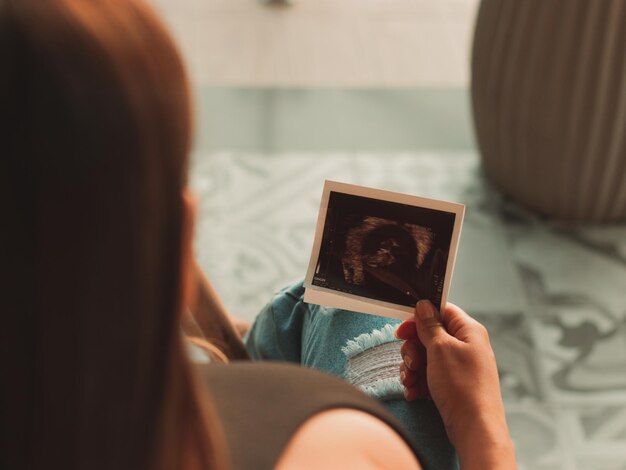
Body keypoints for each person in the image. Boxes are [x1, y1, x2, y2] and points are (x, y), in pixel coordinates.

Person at [0, 0, 516, 469]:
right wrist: (483, 429)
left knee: (314, 303)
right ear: (179, 256)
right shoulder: (340, 450)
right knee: (359, 302)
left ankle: (263, 340)